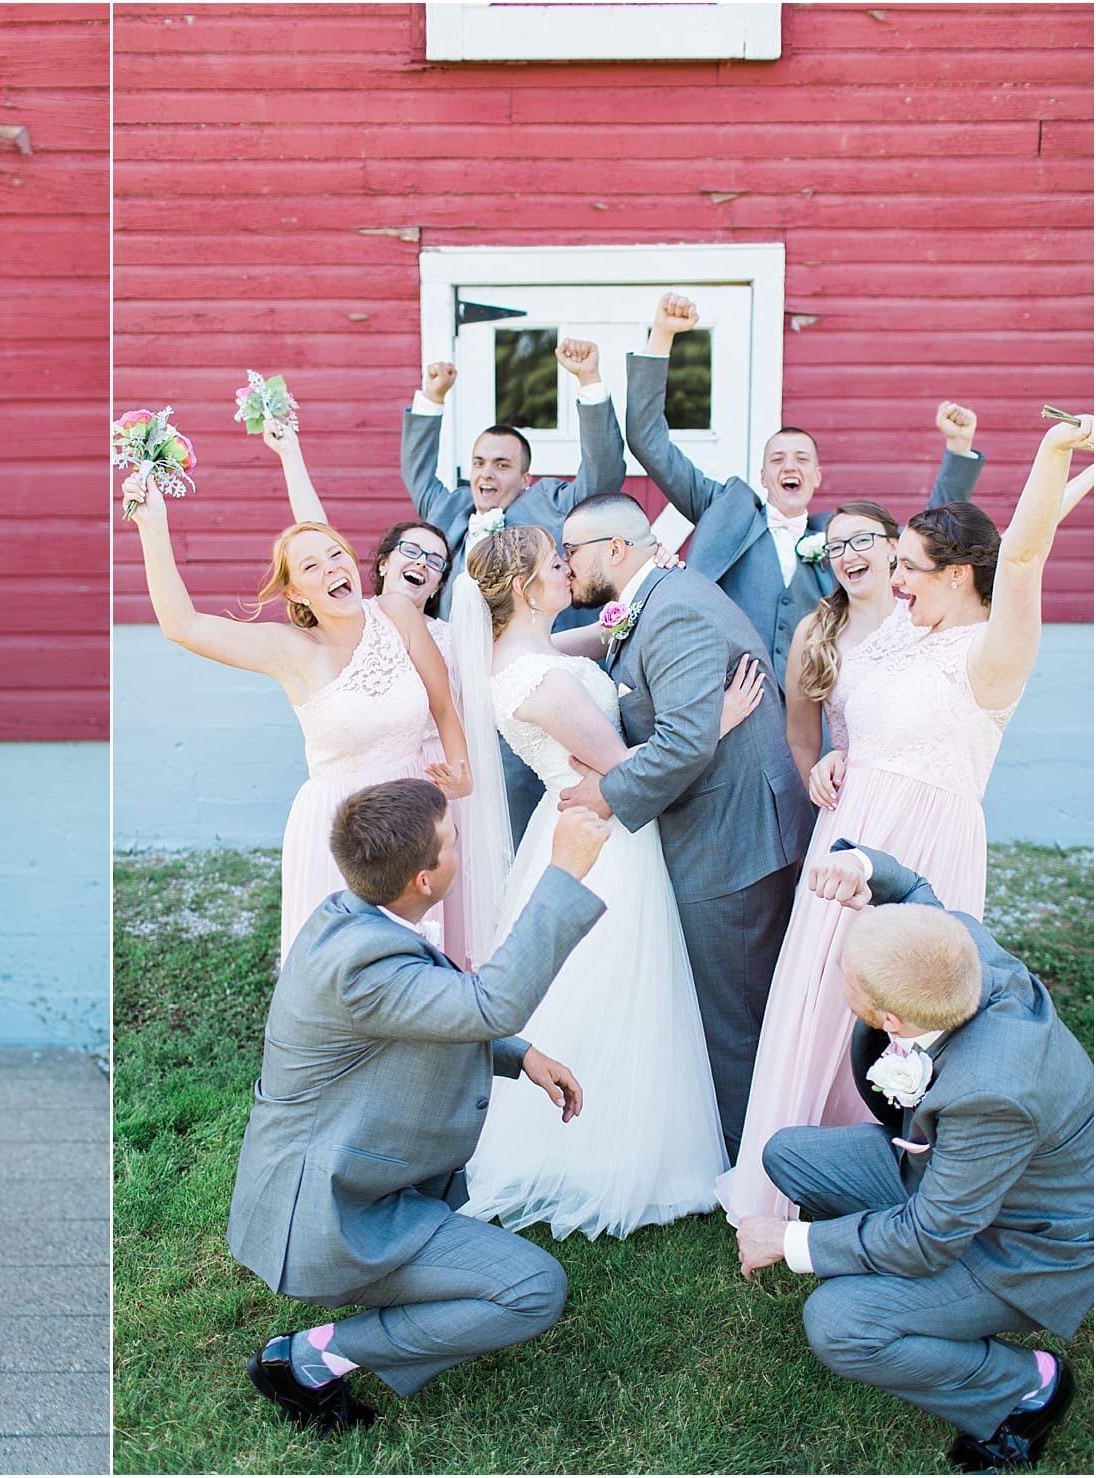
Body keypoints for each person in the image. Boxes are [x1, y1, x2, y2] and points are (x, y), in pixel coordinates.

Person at [719, 414, 1095, 1221]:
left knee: (898, 1009)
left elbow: (1020, 552)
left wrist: (1055, 454)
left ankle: (890, 1178)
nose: (893, 581)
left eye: (910, 570)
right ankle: (795, 1159)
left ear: (959, 575)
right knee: (818, 993)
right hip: (848, 829)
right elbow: (848, 711)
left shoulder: (993, 653)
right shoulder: (895, 633)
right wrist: (827, 756)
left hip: (924, 845)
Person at [227, 779, 613, 1433]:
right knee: (531, 1290)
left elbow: (427, 1012)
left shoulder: (351, 918)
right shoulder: (360, 963)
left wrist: (518, 1055)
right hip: (329, 1218)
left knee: (510, 1276)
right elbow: (487, 1003)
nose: (460, 846)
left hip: (347, 1185)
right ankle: (308, 1360)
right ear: (423, 879)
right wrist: (564, 870)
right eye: (451, 841)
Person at [737, 842, 1092, 1474]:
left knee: (838, 1322)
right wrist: (863, 868)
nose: (837, 970)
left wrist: (791, 1242)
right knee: (788, 1154)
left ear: (889, 1017)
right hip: (954, 1176)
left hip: (1023, 1244)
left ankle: (1027, 1387)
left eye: (845, 972)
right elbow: (915, 893)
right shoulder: (959, 951)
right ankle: (891, 1274)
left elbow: (930, 1240)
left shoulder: (992, 1095)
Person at [456, 526, 760, 1238]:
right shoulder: (540, 681)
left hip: (581, 831)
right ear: (528, 587)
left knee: (585, 982)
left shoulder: (528, 653)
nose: (568, 570)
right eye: (556, 563)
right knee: (616, 983)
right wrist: (712, 721)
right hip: (601, 838)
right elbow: (621, 766)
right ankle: (603, 1154)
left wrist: (637, 601)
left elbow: (598, 634)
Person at [555, 492, 811, 1160]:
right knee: (726, 1001)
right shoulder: (651, 601)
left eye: (570, 551)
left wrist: (602, 796)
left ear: (614, 549)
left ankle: (750, 1160)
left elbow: (683, 745)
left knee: (732, 1009)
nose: (563, 566)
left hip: (730, 835)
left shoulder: (672, 612)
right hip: (719, 823)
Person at [123, 475, 470, 961]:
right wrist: (152, 524)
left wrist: (461, 772)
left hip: (416, 804)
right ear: (298, 594)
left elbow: (442, 703)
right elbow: (183, 625)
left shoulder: (396, 613)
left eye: (336, 554)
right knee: (347, 965)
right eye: (311, 566)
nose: (331, 568)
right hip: (341, 823)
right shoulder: (289, 650)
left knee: (418, 956)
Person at [626, 291, 984, 683]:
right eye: (777, 459)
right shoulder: (723, 507)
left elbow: (927, 536)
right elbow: (649, 442)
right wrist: (661, 335)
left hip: (818, 707)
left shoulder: (844, 536)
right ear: (763, 477)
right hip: (730, 705)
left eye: (801, 459)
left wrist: (958, 446)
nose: (789, 466)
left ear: (817, 477)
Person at [398, 341, 628, 845]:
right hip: (454, 694)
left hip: (524, 689)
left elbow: (603, 474)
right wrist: (433, 397)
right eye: (479, 462)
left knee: (522, 812)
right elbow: (417, 473)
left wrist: (590, 382)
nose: (487, 473)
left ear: (525, 478)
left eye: (502, 465)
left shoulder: (547, 503)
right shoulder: (450, 508)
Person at [781, 500, 906, 784]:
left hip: (915, 802)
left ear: (893, 549)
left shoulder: (923, 623)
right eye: (836, 546)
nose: (848, 555)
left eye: (862, 540)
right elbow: (802, 741)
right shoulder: (813, 633)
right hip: (851, 800)